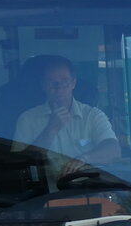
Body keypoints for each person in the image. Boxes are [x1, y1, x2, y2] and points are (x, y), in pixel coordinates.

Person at [11, 55, 120, 186]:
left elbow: (113, 150)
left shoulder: (93, 115)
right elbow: (18, 165)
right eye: (52, 82)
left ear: (74, 83)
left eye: (64, 80)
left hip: (89, 192)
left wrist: (83, 159)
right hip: (44, 197)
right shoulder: (27, 119)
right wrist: (51, 128)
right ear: (43, 85)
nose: (59, 87)